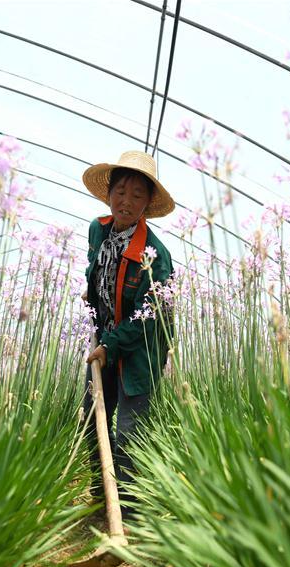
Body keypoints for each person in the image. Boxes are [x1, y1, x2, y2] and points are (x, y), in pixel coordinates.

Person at [81, 150, 175, 521]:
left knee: (128, 431)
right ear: (109, 194)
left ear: (148, 204)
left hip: (139, 350)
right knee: (91, 417)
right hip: (104, 340)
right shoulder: (98, 228)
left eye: (138, 195)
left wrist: (111, 345)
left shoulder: (156, 255)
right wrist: (94, 293)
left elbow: (147, 316)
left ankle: (129, 510)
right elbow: (96, 266)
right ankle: (100, 492)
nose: (127, 201)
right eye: (121, 191)